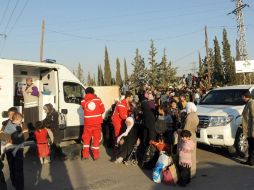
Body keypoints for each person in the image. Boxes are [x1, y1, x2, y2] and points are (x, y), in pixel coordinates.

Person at [1, 112, 29, 190]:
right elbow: (2, 137)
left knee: (19, 169)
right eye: (20, 120)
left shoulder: (22, 124)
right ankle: (15, 184)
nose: (21, 121)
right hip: (10, 150)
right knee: (12, 168)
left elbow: (26, 136)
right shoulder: (7, 125)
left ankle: (19, 187)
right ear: (16, 119)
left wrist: (13, 139)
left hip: (18, 150)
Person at [81, 87, 105, 160]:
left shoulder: (83, 101)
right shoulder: (98, 100)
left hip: (87, 123)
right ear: (93, 92)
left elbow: (84, 108)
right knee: (96, 139)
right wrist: (97, 113)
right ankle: (95, 156)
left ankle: (85, 155)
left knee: (86, 139)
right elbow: (103, 110)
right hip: (97, 123)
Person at [183, 102, 199, 177]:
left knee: (188, 156)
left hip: (188, 137)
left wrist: (181, 132)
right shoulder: (195, 115)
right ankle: (193, 172)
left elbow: (186, 129)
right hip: (193, 136)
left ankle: (188, 173)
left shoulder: (189, 117)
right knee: (193, 155)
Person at [241, 90, 254, 166]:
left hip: (251, 129)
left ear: (244, 96)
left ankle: (251, 161)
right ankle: (250, 160)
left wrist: (253, 130)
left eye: (242, 96)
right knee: (251, 145)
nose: (241, 98)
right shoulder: (248, 103)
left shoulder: (252, 103)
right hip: (248, 129)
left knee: (252, 145)